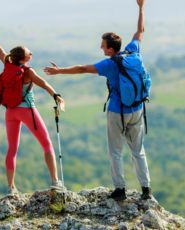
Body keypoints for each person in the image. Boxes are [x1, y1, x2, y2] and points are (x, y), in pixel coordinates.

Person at [43, 0, 151, 201]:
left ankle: (120, 190)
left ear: (110, 49)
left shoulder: (109, 64)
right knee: (138, 151)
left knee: (115, 152)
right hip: (137, 108)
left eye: (103, 46)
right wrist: (141, 7)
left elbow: (82, 68)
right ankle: (146, 190)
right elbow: (140, 31)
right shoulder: (133, 51)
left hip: (117, 111)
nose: (101, 48)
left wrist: (59, 71)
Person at [0, 19, 65, 194]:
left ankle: (11, 188)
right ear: (23, 58)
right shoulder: (28, 72)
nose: (31, 53)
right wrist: (56, 96)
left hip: (10, 112)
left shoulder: (7, 63)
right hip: (27, 110)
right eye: (29, 53)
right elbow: (42, 83)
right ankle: (55, 182)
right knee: (47, 144)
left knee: (12, 149)